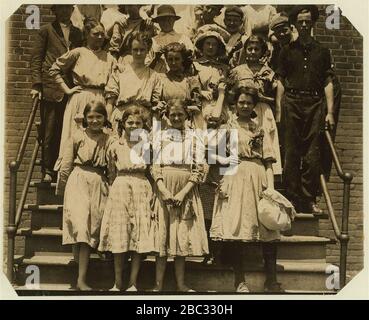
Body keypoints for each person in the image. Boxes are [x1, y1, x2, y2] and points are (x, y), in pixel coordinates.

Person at [210, 84, 283, 293]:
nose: (244, 105)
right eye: (241, 102)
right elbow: (212, 156)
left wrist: (270, 189)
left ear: (254, 105)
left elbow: (269, 161)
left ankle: (271, 279)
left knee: (267, 226)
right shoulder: (226, 128)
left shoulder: (259, 129)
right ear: (235, 104)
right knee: (236, 227)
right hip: (234, 175)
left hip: (258, 177)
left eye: (248, 103)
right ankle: (239, 279)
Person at [275, 5, 335, 214]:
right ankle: (292, 199)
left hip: (315, 104)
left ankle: (309, 199)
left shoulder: (323, 51)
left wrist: (330, 112)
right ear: (295, 24)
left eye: (307, 21)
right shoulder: (286, 51)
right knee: (291, 152)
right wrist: (279, 110)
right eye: (300, 21)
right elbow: (281, 82)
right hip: (292, 102)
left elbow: (328, 82)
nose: (303, 24)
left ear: (312, 23)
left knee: (312, 154)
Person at [150, 99, 209, 292]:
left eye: (180, 115)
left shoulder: (194, 137)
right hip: (164, 189)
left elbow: (198, 169)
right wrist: (164, 190)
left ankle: (181, 284)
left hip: (186, 190)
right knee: (163, 238)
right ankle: (158, 284)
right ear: (167, 115)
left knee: (181, 237)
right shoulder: (159, 136)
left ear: (187, 116)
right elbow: (155, 166)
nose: (176, 118)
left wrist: (184, 193)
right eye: (172, 114)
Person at [56, 101, 112, 291]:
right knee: (80, 227)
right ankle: (80, 279)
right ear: (85, 119)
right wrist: (62, 189)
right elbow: (66, 165)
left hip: (98, 181)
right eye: (91, 117)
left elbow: (113, 164)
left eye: (99, 117)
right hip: (78, 180)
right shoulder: (77, 136)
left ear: (105, 118)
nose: (95, 121)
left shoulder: (109, 139)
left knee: (91, 229)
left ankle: (82, 276)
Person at [99, 105, 154, 291]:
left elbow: (151, 171)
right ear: (123, 124)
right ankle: (117, 282)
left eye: (138, 123)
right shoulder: (115, 145)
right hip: (120, 188)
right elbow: (111, 172)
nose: (133, 125)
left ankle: (133, 282)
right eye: (130, 122)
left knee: (139, 234)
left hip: (141, 187)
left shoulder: (147, 146)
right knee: (119, 234)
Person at [49, 17, 115, 171]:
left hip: (100, 99)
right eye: (95, 34)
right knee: (76, 137)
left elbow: (114, 85)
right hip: (80, 98)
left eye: (102, 34)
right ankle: (69, 172)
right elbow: (54, 69)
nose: (100, 37)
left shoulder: (110, 58)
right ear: (87, 34)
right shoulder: (78, 53)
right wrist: (67, 90)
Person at [30, 4, 83, 182]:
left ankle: (66, 170)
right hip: (52, 87)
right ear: (55, 11)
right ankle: (48, 171)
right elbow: (37, 58)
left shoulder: (78, 33)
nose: (65, 12)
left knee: (68, 130)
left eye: (67, 8)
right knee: (50, 130)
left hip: (72, 88)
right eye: (61, 9)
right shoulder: (46, 31)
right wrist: (37, 85)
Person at [230, 35, 282, 175]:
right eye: (250, 49)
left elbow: (275, 97)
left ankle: (267, 172)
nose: (253, 52)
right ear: (245, 50)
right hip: (242, 110)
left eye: (256, 49)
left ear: (262, 52)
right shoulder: (237, 71)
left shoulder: (268, 72)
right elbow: (231, 94)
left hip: (262, 110)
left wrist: (263, 98)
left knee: (264, 140)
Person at [105, 31, 162, 135]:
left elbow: (155, 107)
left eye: (142, 50)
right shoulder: (120, 72)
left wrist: (156, 131)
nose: (139, 53)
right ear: (130, 50)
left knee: (140, 150)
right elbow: (110, 103)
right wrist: (106, 125)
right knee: (120, 149)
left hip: (143, 121)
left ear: (148, 50)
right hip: (121, 119)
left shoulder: (154, 76)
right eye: (135, 50)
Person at [147, 5, 194, 73]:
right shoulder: (152, 41)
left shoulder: (184, 39)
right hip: (158, 78)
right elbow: (147, 66)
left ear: (174, 20)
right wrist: (156, 58)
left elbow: (191, 60)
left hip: (181, 78)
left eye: (169, 19)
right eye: (163, 19)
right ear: (158, 21)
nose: (166, 22)